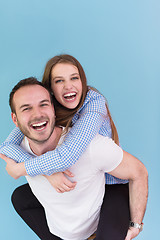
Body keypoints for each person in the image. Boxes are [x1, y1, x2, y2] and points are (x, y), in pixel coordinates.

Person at [0, 54, 138, 238]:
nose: (68, 86)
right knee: (20, 198)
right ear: (50, 89)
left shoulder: (94, 104)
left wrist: (21, 169)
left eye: (74, 78)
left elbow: (67, 156)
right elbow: (6, 146)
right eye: (59, 81)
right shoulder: (47, 107)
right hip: (80, 180)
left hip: (110, 183)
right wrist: (47, 173)